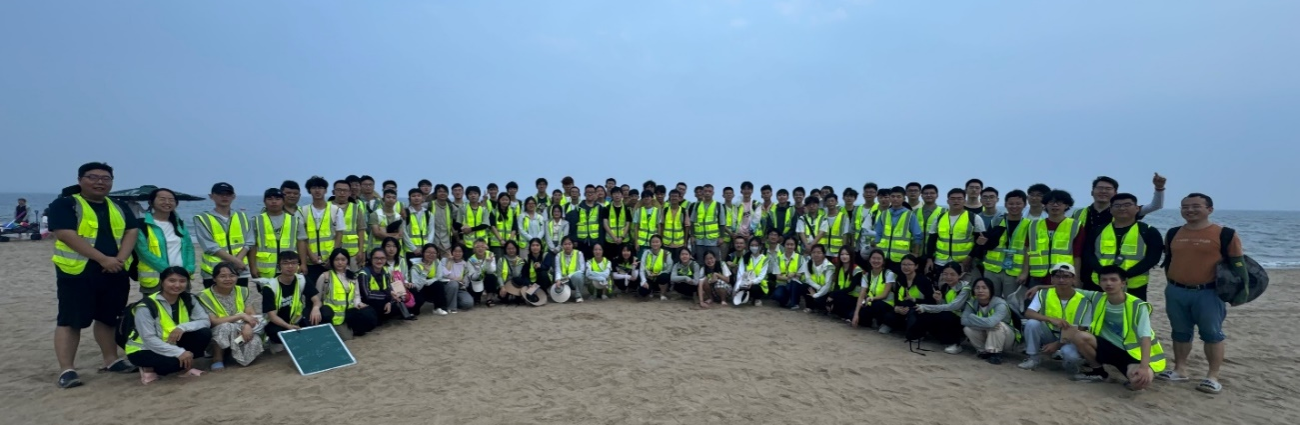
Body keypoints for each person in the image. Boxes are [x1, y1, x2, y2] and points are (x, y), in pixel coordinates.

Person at [51, 162, 140, 388]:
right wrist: (103, 259)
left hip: (115, 271)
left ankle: (111, 360)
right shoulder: (66, 203)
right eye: (93, 177)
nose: (100, 182)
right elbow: (65, 233)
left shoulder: (119, 205)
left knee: (108, 317)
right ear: (80, 180)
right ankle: (67, 370)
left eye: (105, 178)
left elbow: (132, 231)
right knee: (70, 320)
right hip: (77, 272)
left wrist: (119, 259)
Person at [1158, 193, 1243, 394]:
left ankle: (1212, 376)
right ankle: (1180, 370)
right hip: (1176, 290)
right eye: (1185, 206)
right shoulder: (1173, 233)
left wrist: (1240, 294)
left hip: (1208, 292)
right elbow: (1169, 260)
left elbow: (1239, 267)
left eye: (1196, 206)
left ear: (1209, 209)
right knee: (1179, 332)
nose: (1190, 210)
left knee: (1212, 334)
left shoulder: (1225, 234)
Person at [1066, 265, 1167, 390]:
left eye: (1113, 280)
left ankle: (1135, 372)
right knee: (1079, 336)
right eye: (1104, 280)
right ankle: (1099, 372)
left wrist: (1144, 367)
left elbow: (1145, 338)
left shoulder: (1138, 305)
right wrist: (1044, 286)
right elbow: (1065, 289)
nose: (1108, 283)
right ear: (1099, 283)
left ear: (1123, 283)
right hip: (1108, 348)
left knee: (1138, 383)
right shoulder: (1096, 297)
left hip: (1133, 354)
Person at [1073, 175, 1167, 287]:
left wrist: (1159, 189)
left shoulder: (1123, 211)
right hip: (1083, 262)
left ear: (1115, 193)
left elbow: (1155, 206)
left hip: (1115, 268)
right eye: (1100, 188)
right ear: (1092, 192)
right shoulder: (1078, 213)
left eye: (1108, 189)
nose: (1103, 191)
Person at [125, 267, 211, 385]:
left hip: (171, 342)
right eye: (172, 281)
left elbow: (205, 321)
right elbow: (148, 338)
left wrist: (182, 327)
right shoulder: (146, 306)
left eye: (182, 281)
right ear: (162, 282)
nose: (177, 285)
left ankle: (184, 365)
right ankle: (147, 367)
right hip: (143, 349)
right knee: (172, 364)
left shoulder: (188, 299)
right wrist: (179, 352)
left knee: (204, 333)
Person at [1083, 193, 1164, 301]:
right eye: (1117, 205)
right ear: (1110, 209)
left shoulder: (1148, 231)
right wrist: (1103, 272)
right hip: (1101, 283)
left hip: (1134, 284)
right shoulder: (1098, 230)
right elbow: (1088, 254)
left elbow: (1153, 258)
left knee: (1133, 311)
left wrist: (1125, 275)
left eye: (1127, 205)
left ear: (1137, 208)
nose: (1122, 208)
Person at [1020, 263, 1097, 372]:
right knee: (1032, 323)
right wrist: (1050, 319)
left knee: (1071, 357)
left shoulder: (1084, 300)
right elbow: (1029, 313)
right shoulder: (1043, 294)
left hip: (1072, 339)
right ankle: (1033, 358)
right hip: (1049, 333)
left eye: (1066, 276)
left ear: (1073, 279)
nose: (1061, 280)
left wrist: (1057, 345)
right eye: (1057, 276)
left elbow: (1082, 328)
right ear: (1052, 279)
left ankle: (1073, 362)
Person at [197, 262, 263, 370]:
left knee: (254, 341)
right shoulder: (204, 296)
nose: (228, 279)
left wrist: (247, 326)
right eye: (222, 276)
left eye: (232, 275)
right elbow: (214, 321)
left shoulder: (243, 291)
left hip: (240, 328)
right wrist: (240, 316)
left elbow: (251, 314)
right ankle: (217, 358)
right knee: (225, 327)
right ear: (214, 279)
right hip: (217, 332)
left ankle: (231, 353)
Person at [253, 251, 327, 347]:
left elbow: (316, 300)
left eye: (294, 263)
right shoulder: (270, 287)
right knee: (275, 332)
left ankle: (308, 337)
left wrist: (316, 308)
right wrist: (288, 326)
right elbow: (272, 316)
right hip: (279, 322)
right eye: (286, 263)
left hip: (297, 318)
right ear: (279, 266)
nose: (290, 266)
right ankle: (278, 343)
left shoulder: (302, 279)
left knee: (325, 312)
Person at [978, 189, 1032, 312]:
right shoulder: (996, 221)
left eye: (1018, 203)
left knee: (1012, 303)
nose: (1014, 206)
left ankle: (1010, 323)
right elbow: (988, 243)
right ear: (1005, 204)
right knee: (989, 299)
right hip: (992, 269)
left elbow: (1029, 251)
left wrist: (1025, 272)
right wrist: (982, 242)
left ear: (1025, 204)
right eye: (1011, 203)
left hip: (1014, 271)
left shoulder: (1029, 225)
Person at [135, 188, 196, 295]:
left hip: (181, 277)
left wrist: (189, 268)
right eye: (162, 199)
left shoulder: (180, 224)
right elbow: (143, 252)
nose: (167, 202)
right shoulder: (142, 225)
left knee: (183, 305)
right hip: (156, 279)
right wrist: (168, 271)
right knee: (155, 305)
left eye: (171, 200)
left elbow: (189, 248)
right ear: (151, 202)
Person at [193, 182, 253, 289]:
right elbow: (210, 246)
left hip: (239, 272)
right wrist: (236, 262)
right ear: (211, 196)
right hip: (214, 272)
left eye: (228, 194)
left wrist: (238, 262)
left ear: (233, 196)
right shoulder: (202, 218)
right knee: (214, 299)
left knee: (240, 298)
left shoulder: (242, 216)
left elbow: (249, 241)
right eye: (220, 194)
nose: (224, 197)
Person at [316, 248, 379, 338]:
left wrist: (359, 304)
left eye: (343, 260)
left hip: (348, 315)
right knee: (343, 336)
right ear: (332, 261)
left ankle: (353, 328)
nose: (340, 262)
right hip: (330, 315)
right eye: (337, 260)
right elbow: (317, 298)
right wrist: (316, 308)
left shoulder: (353, 277)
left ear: (347, 261)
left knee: (368, 313)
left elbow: (356, 296)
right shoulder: (325, 276)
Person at [1027, 190, 1085, 287]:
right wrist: (1024, 272)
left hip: (1063, 275)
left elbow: (1077, 255)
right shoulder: (1034, 225)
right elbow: (1027, 250)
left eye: (1059, 202)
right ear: (1045, 205)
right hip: (1037, 276)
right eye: (1051, 202)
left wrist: (1076, 277)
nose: (1055, 205)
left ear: (1066, 205)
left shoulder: (1075, 225)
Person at [925, 188, 986, 280]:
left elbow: (980, 243)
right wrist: (929, 258)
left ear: (964, 201)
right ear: (948, 201)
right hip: (941, 262)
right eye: (953, 198)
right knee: (942, 286)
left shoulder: (974, 218)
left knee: (964, 287)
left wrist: (970, 258)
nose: (956, 201)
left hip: (964, 263)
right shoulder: (939, 218)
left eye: (959, 198)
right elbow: (932, 240)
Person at [298, 177, 346, 287]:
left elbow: (339, 235)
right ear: (309, 190)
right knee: (312, 291)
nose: (317, 190)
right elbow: (302, 238)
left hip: (330, 261)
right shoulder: (303, 211)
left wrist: (333, 257)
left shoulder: (336, 210)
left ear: (325, 190)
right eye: (314, 188)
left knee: (330, 289)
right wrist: (310, 255)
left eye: (320, 187)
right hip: (310, 261)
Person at [915, 263, 972, 354]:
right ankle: (923, 334)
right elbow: (945, 306)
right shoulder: (945, 286)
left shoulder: (966, 289)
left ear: (960, 275)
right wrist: (939, 300)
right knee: (926, 314)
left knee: (943, 315)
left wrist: (926, 307)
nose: (948, 277)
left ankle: (955, 343)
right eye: (945, 274)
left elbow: (954, 306)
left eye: (952, 274)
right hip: (951, 315)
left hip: (964, 320)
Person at [961, 278, 1017, 365]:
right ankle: (983, 351)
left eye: (984, 288)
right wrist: (985, 325)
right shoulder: (972, 302)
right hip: (987, 332)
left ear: (991, 290)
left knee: (998, 325)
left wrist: (972, 317)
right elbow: (963, 320)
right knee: (967, 328)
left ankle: (996, 353)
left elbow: (991, 323)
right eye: (977, 288)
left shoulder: (1000, 303)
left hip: (1006, 338)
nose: (980, 291)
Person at [250, 188, 297, 281]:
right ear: (264, 201)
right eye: (270, 199)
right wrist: (252, 267)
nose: (274, 202)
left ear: (283, 201)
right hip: (265, 270)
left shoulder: (294, 220)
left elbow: (301, 242)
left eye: (277, 199)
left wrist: (303, 264)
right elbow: (252, 245)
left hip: (289, 268)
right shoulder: (256, 220)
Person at [358, 247, 413, 324]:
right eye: (376, 258)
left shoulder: (385, 272)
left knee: (398, 301)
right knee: (371, 315)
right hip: (368, 303)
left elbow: (390, 290)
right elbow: (367, 295)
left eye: (382, 258)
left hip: (382, 300)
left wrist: (389, 302)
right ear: (371, 259)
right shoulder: (364, 273)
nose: (379, 261)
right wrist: (387, 296)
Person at [889, 255, 935, 342]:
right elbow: (896, 299)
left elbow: (931, 301)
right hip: (904, 308)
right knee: (888, 315)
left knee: (912, 330)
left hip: (919, 310)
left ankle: (919, 333)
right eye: (903, 264)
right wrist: (897, 308)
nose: (906, 267)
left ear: (916, 266)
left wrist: (915, 300)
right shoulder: (900, 279)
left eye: (909, 264)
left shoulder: (923, 280)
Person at [873, 188, 923, 267]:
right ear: (890, 198)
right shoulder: (884, 214)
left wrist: (915, 253)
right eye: (893, 196)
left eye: (899, 197)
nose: (895, 199)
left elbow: (917, 236)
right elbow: (877, 234)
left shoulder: (910, 215)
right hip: (883, 256)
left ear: (904, 198)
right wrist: (876, 252)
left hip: (902, 258)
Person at [848, 249, 893, 330]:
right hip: (871, 302)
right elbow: (861, 295)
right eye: (873, 258)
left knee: (878, 305)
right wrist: (856, 314)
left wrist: (872, 298)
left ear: (883, 261)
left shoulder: (888, 274)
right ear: (869, 260)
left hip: (886, 304)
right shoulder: (866, 275)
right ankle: (872, 322)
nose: (876, 261)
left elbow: (885, 294)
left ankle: (880, 322)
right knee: (852, 315)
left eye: (879, 259)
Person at [410, 244, 453, 315]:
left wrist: (427, 282)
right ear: (423, 253)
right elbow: (417, 286)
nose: (431, 255)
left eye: (434, 253)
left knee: (439, 284)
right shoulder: (416, 266)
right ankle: (412, 310)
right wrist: (424, 272)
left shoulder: (437, 262)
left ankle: (439, 308)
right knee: (416, 310)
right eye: (428, 252)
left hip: (429, 285)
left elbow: (439, 277)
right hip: (419, 288)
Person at [826, 247, 865, 320]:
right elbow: (836, 286)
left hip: (854, 297)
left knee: (837, 297)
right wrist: (831, 296)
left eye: (847, 254)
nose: (844, 256)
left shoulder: (857, 270)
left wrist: (833, 295)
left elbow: (851, 288)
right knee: (825, 298)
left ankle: (843, 314)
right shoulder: (839, 268)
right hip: (842, 294)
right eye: (842, 254)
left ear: (851, 256)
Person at [438, 245, 477, 313]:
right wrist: (450, 261)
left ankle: (450, 301)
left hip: (460, 288)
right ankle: (451, 308)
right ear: (451, 252)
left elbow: (466, 280)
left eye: (460, 252)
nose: (457, 253)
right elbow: (444, 275)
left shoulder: (465, 264)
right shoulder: (444, 260)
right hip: (446, 286)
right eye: (455, 251)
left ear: (463, 253)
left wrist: (463, 284)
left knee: (468, 303)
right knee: (453, 284)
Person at [733, 236, 770, 307]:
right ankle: (748, 297)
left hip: (759, 284)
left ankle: (757, 299)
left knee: (754, 288)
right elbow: (740, 273)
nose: (754, 247)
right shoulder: (745, 258)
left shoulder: (765, 259)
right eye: (752, 245)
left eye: (756, 245)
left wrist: (751, 282)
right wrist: (738, 286)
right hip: (746, 282)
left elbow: (761, 276)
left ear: (760, 246)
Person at [691, 185, 724, 264]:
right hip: (699, 240)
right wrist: (692, 235)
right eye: (705, 191)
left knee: (714, 261)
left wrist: (721, 237)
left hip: (713, 240)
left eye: (709, 191)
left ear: (713, 193)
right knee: (700, 261)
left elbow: (722, 223)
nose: (707, 193)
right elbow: (692, 221)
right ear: (702, 192)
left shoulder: (718, 205)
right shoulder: (697, 205)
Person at [769, 236, 804, 310]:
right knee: (777, 295)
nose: (789, 246)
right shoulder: (778, 259)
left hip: (795, 284)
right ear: (784, 245)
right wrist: (788, 277)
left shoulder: (800, 258)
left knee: (794, 283)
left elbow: (801, 274)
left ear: (795, 246)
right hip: (782, 284)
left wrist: (794, 274)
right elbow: (778, 277)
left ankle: (795, 303)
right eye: (787, 244)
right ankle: (786, 301)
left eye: (792, 244)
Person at [800, 245, 835, 314]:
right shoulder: (808, 263)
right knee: (804, 286)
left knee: (819, 301)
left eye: (819, 252)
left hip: (827, 292)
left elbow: (827, 286)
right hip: (816, 288)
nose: (816, 255)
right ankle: (810, 307)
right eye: (813, 252)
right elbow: (808, 279)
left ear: (824, 255)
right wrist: (818, 288)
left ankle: (822, 308)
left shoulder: (829, 267)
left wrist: (815, 295)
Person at [638, 235, 674, 300]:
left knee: (664, 276)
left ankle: (662, 294)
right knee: (642, 292)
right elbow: (642, 269)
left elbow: (669, 269)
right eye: (653, 242)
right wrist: (644, 281)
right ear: (650, 243)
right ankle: (651, 290)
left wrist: (658, 274)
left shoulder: (666, 254)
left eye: (657, 242)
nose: (655, 244)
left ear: (661, 243)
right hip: (649, 277)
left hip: (660, 277)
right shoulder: (646, 252)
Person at [552, 237, 588, 303]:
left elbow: (582, 269)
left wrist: (569, 276)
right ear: (562, 246)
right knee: (558, 290)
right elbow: (558, 270)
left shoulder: (579, 253)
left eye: (569, 244)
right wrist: (558, 280)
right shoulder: (558, 256)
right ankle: (566, 294)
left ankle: (578, 295)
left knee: (579, 276)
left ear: (573, 245)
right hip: (564, 280)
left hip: (575, 279)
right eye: (565, 244)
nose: (567, 246)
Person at [467, 239, 501, 307]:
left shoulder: (490, 255)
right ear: (474, 249)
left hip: (487, 275)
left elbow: (492, 270)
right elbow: (472, 276)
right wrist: (478, 270)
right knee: (475, 281)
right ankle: (477, 297)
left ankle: (489, 298)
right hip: (477, 277)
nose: (480, 249)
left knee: (491, 277)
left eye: (482, 246)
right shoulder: (471, 260)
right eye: (478, 247)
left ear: (486, 247)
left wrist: (488, 263)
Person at [661, 190, 691, 261]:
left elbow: (687, 227)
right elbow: (661, 226)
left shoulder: (684, 211)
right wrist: (661, 240)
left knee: (678, 263)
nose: (674, 198)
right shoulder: (665, 210)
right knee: (666, 263)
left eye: (676, 196)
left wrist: (685, 242)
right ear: (669, 198)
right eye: (672, 196)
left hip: (679, 244)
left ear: (679, 198)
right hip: (666, 244)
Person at [490, 193, 517, 259]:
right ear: (499, 200)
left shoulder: (512, 211)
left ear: (509, 201)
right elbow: (492, 226)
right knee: (499, 261)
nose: (505, 201)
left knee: (510, 261)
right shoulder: (493, 211)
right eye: (503, 200)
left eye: (506, 200)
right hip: (497, 243)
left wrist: (510, 241)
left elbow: (514, 227)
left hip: (510, 243)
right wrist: (501, 240)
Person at [430, 184, 456, 254]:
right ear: (435, 194)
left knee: (447, 260)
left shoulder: (451, 207)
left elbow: (462, 214)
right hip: (432, 242)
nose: (442, 193)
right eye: (440, 191)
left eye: (445, 192)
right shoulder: (429, 205)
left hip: (446, 243)